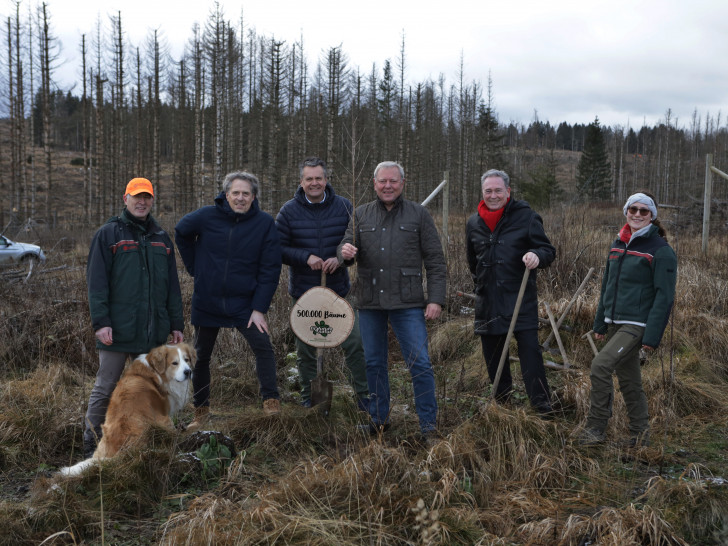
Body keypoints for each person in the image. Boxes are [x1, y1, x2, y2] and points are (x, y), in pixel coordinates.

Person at [338, 161, 446, 440]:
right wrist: (345, 252)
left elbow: (435, 260)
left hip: (408, 302)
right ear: (374, 184)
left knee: (419, 362)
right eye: (382, 181)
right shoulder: (360, 214)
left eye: (393, 181)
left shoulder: (419, 215)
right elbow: (345, 251)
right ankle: (378, 420)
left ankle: (428, 425)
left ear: (403, 183)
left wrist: (435, 299)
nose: (388, 186)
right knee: (373, 363)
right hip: (370, 302)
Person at [84, 177, 185, 457]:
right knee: (106, 387)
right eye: (136, 197)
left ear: (152, 201)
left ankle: (150, 441)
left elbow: (172, 287)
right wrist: (101, 322)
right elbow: (97, 283)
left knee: (153, 388)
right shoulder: (108, 234)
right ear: (125, 198)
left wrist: (176, 324)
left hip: (152, 333)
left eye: (147, 197)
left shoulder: (162, 238)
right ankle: (91, 442)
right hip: (116, 331)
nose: (142, 202)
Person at [175, 171, 283, 427]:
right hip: (208, 300)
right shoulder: (206, 216)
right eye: (236, 193)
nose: (241, 198)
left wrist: (259, 308)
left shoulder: (264, 223)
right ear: (226, 195)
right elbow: (181, 232)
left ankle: (271, 403)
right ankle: (201, 413)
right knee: (199, 357)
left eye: (246, 194)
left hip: (244, 303)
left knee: (263, 347)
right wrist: (196, 269)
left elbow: (271, 268)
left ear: (254, 196)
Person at [579, 192, 677, 447]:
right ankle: (640, 435)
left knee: (600, 366)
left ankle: (595, 429)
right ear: (626, 211)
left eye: (644, 211)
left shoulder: (661, 251)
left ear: (652, 216)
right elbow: (607, 287)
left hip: (637, 325)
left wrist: (652, 336)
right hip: (615, 322)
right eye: (633, 209)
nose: (637, 214)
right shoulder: (618, 244)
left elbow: (664, 297)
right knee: (630, 379)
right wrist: (600, 323)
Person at [276, 157, 369, 409]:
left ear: (326, 180)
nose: (314, 183)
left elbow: (354, 243)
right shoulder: (288, 211)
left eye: (319, 178)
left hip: (338, 291)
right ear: (301, 182)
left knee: (355, 343)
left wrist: (339, 258)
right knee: (307, 350)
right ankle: (312, 399)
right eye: (309, 179)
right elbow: (278, 248)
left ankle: (363, 397)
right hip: (304, 294)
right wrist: (305, 257)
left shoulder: (344, 207)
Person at [466, 169, 555, 415]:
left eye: (497, 190)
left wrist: (537, 255)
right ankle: (502, 405)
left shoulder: (526, 217)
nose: (493, 195)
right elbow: (472, 261)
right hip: (488, 301)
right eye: (488, 191)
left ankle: (542, 405)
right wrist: (482, 284)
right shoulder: (473, 222)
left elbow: (548, 250)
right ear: (482, 193)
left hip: (520, 299)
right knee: (494, 356)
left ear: (508, 191)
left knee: (530, 353)